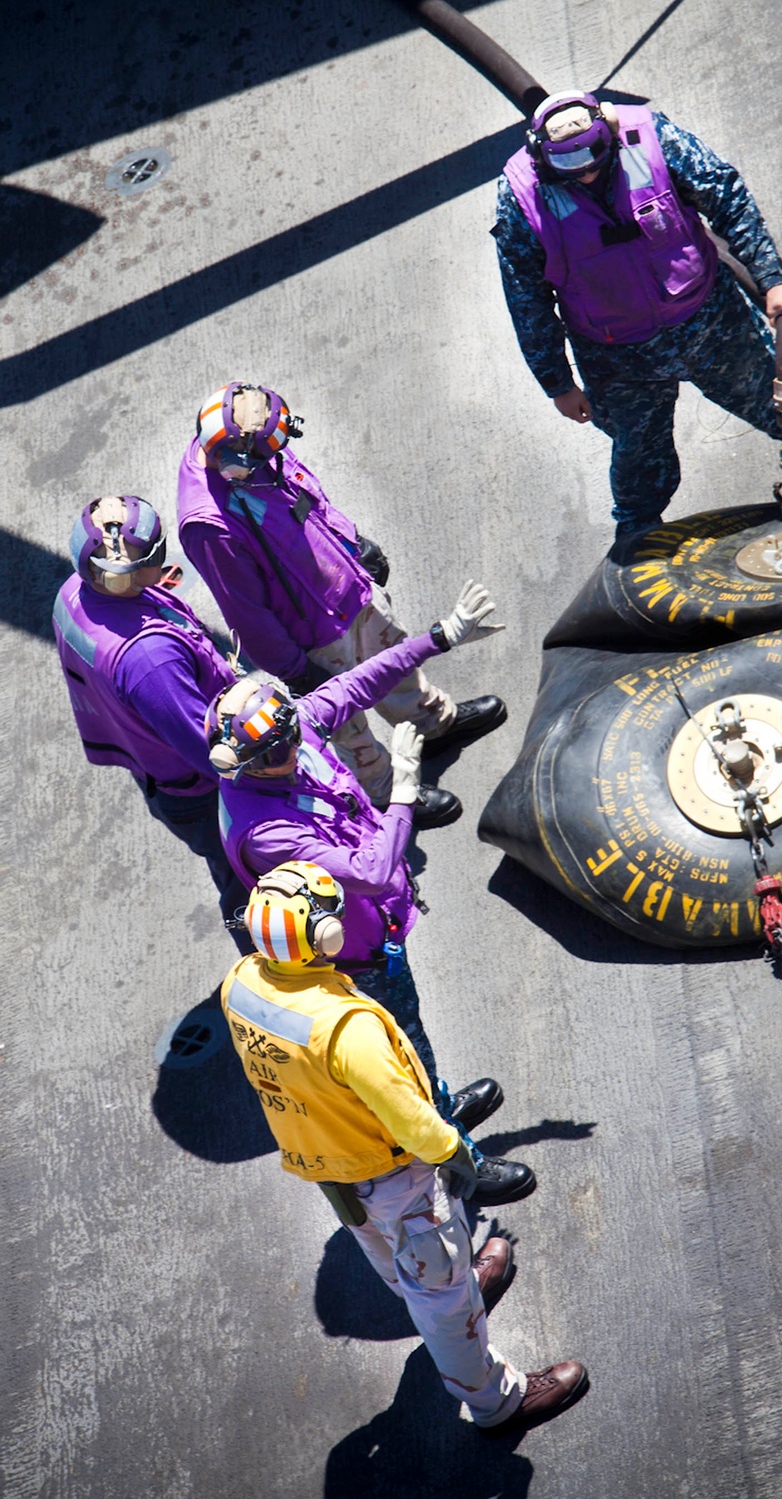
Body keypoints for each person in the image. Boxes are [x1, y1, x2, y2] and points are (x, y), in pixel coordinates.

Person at [221, 861, 589, 1432]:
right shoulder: (346, 1027)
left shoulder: (242, 982)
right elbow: (413, 1123)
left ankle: (447, 1284)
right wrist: (458, 1154)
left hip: (330, 1164)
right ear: (323, 937)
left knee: (391, 1255)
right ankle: (497, 1399)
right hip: (396, 1177)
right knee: (440, 1296)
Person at [205, 583, 535, 1207]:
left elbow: (356, 684)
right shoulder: (266, 830)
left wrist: (441, 635)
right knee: (401, 1050)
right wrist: (404, 789)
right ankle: (459, 1162)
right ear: (251, 760)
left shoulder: (279, 738)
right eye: (283, 749)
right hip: (353, 958)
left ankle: (435, 1099)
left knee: (412, 1048)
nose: (299, 746)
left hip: (365, 930)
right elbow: (376, 870)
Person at [494, 90, 782, 541]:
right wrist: (557, 383)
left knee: (781, 398)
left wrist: (772, 280)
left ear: (607, 133)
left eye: (594, 156)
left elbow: (726, 194)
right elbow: (526, 296)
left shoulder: (649, 137)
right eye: (571, 166)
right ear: (543, 157)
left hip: (710, 320)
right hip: (616, 356)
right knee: (638, 456)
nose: (588, 172)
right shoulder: (521, 197)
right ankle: (638, 533)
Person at [177, 382, 507, 827]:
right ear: (233, 460)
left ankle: (434, 725)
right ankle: (388, 793)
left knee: (398, 667)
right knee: (350, 729)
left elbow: (308, 493)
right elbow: (245, 611)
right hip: (315, 638)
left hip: (351, 592)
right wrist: (295, 669)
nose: (277, 457)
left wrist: (354, 544)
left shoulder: (257, 448)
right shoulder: (209, 524)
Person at [52, 495, 249, 945]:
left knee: (232, 875)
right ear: (123, 576)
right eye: (155, 555)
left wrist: (151, 597)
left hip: (154, 767)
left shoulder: (72, 593)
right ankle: (263, 967)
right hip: (204, 793)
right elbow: (211, 751)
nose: (163, 561)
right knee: (248, 885)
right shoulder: (149, 659)